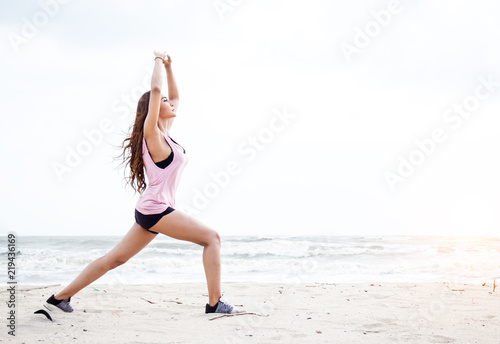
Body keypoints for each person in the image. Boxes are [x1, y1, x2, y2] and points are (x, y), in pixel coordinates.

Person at [46, 50, 243, 315]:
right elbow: (156, 87)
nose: (170, 104)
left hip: (151, 209)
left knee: (115, 259)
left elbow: (175, 97)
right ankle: (214, 303)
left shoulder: (165, 134)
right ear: (152, 108)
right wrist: (158, 61)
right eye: (162, 101)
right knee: (212, 238)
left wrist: (171, 68)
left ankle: (60, 297)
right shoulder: (152, 135)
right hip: (157, 209)